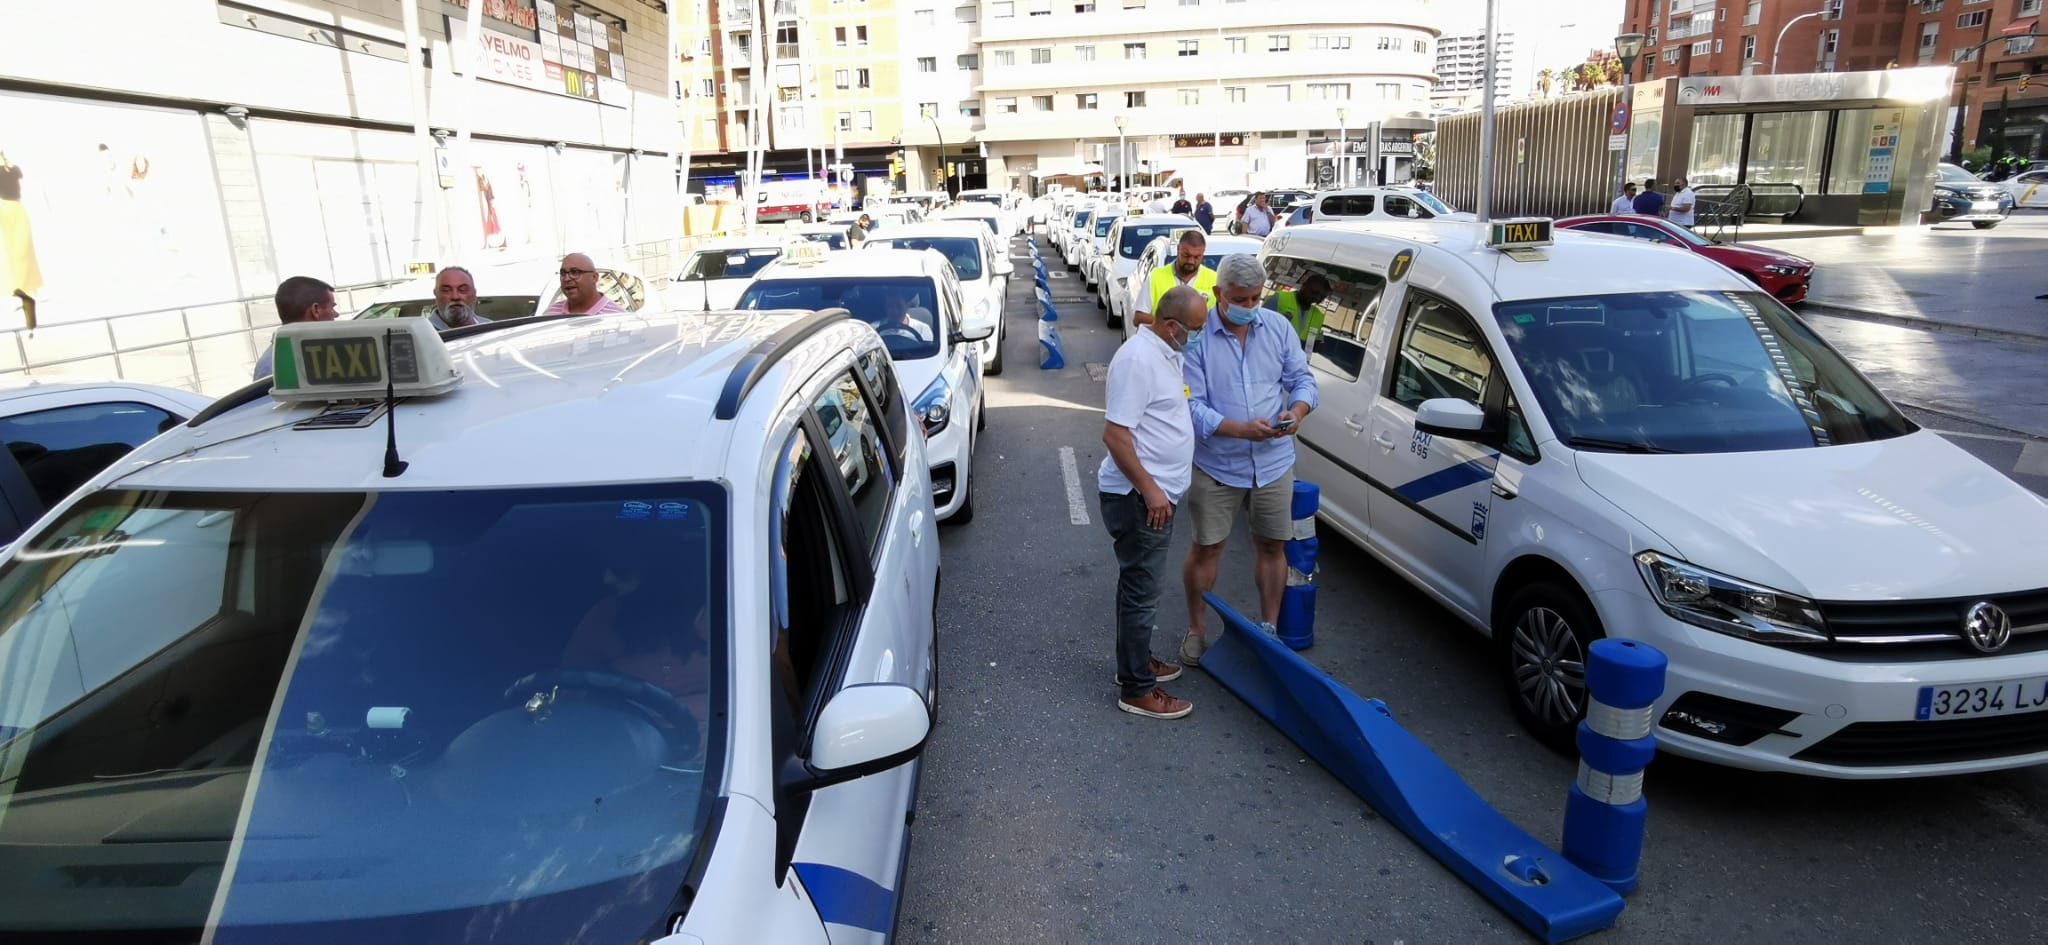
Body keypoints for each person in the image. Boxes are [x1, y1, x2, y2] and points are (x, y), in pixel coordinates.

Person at [1181, 254, 1317, 660]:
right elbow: (1189, 404)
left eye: (1257, 297)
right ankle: (1195, 629)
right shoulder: (1197, 337)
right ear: (1219, 294)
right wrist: (1238, 429)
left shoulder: (1277, 328)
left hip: (1273, 462)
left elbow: (1302, 379)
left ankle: (1269, 629)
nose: (1250, 306)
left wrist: (1297, 411)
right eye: (1241, 298)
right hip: (1218, 464)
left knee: (1273, 546)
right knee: (1207, 548)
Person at [1098, 285, 1208, 720]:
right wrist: (1151, 489)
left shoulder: (1165, 352)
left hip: (1155, 495)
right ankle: (1137, 689)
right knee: (1142, 592)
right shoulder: (1139, 360)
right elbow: (1115, 435)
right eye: (1195, 330)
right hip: (1141, 499)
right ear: (1169, 325)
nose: (1199, 337)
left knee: (1137, 587)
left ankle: (1137, 663)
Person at [253, 275, 339, 379]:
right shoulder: (273, 367)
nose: (336, 314)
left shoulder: (272, 362)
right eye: (332, 307)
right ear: (315, 310)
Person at [1134, 230, 1217, 328]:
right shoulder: (1156, 277)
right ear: (1178, 249)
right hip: (1162, 342)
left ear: (1203, 254)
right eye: (1186, 255)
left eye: (1196, 257)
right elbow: (1138, 318)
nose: (1191, 261)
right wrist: (1171, 325)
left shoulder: (1214, 280)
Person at [544, 252, 627, 315]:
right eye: (563, 273)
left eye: (575, 272)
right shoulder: (550, 315)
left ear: (594, 277)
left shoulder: (617, 317)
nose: (567, 278)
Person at [1268, 272, 1330, 348]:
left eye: (1321, 297)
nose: (1317, 298)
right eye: (1314, 292)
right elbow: (1258, 329)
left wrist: (1316, 344)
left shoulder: (1318, 316)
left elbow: (1318, 345)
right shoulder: (1279, 299)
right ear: (1304, 285)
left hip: (1298, 358)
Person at [427, 266, 487, 330]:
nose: (455, 297)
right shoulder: (420, 334)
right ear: (436, 294)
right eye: (446, 290)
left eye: (462, 290)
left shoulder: (491, 328)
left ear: (474, 294)